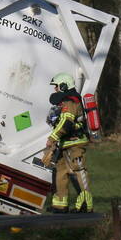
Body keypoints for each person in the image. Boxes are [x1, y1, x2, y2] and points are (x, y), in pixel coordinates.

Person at [42, 72, 92, 213]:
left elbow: (66, 122)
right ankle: (60, 205)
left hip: (75, 143)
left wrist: (52, 138)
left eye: (57, 87)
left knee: (78, 172)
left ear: (64, 86)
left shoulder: (71, 101)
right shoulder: (66, 101)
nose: (55, 90)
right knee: (60, 172)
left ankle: (85, 205)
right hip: (65, 143)